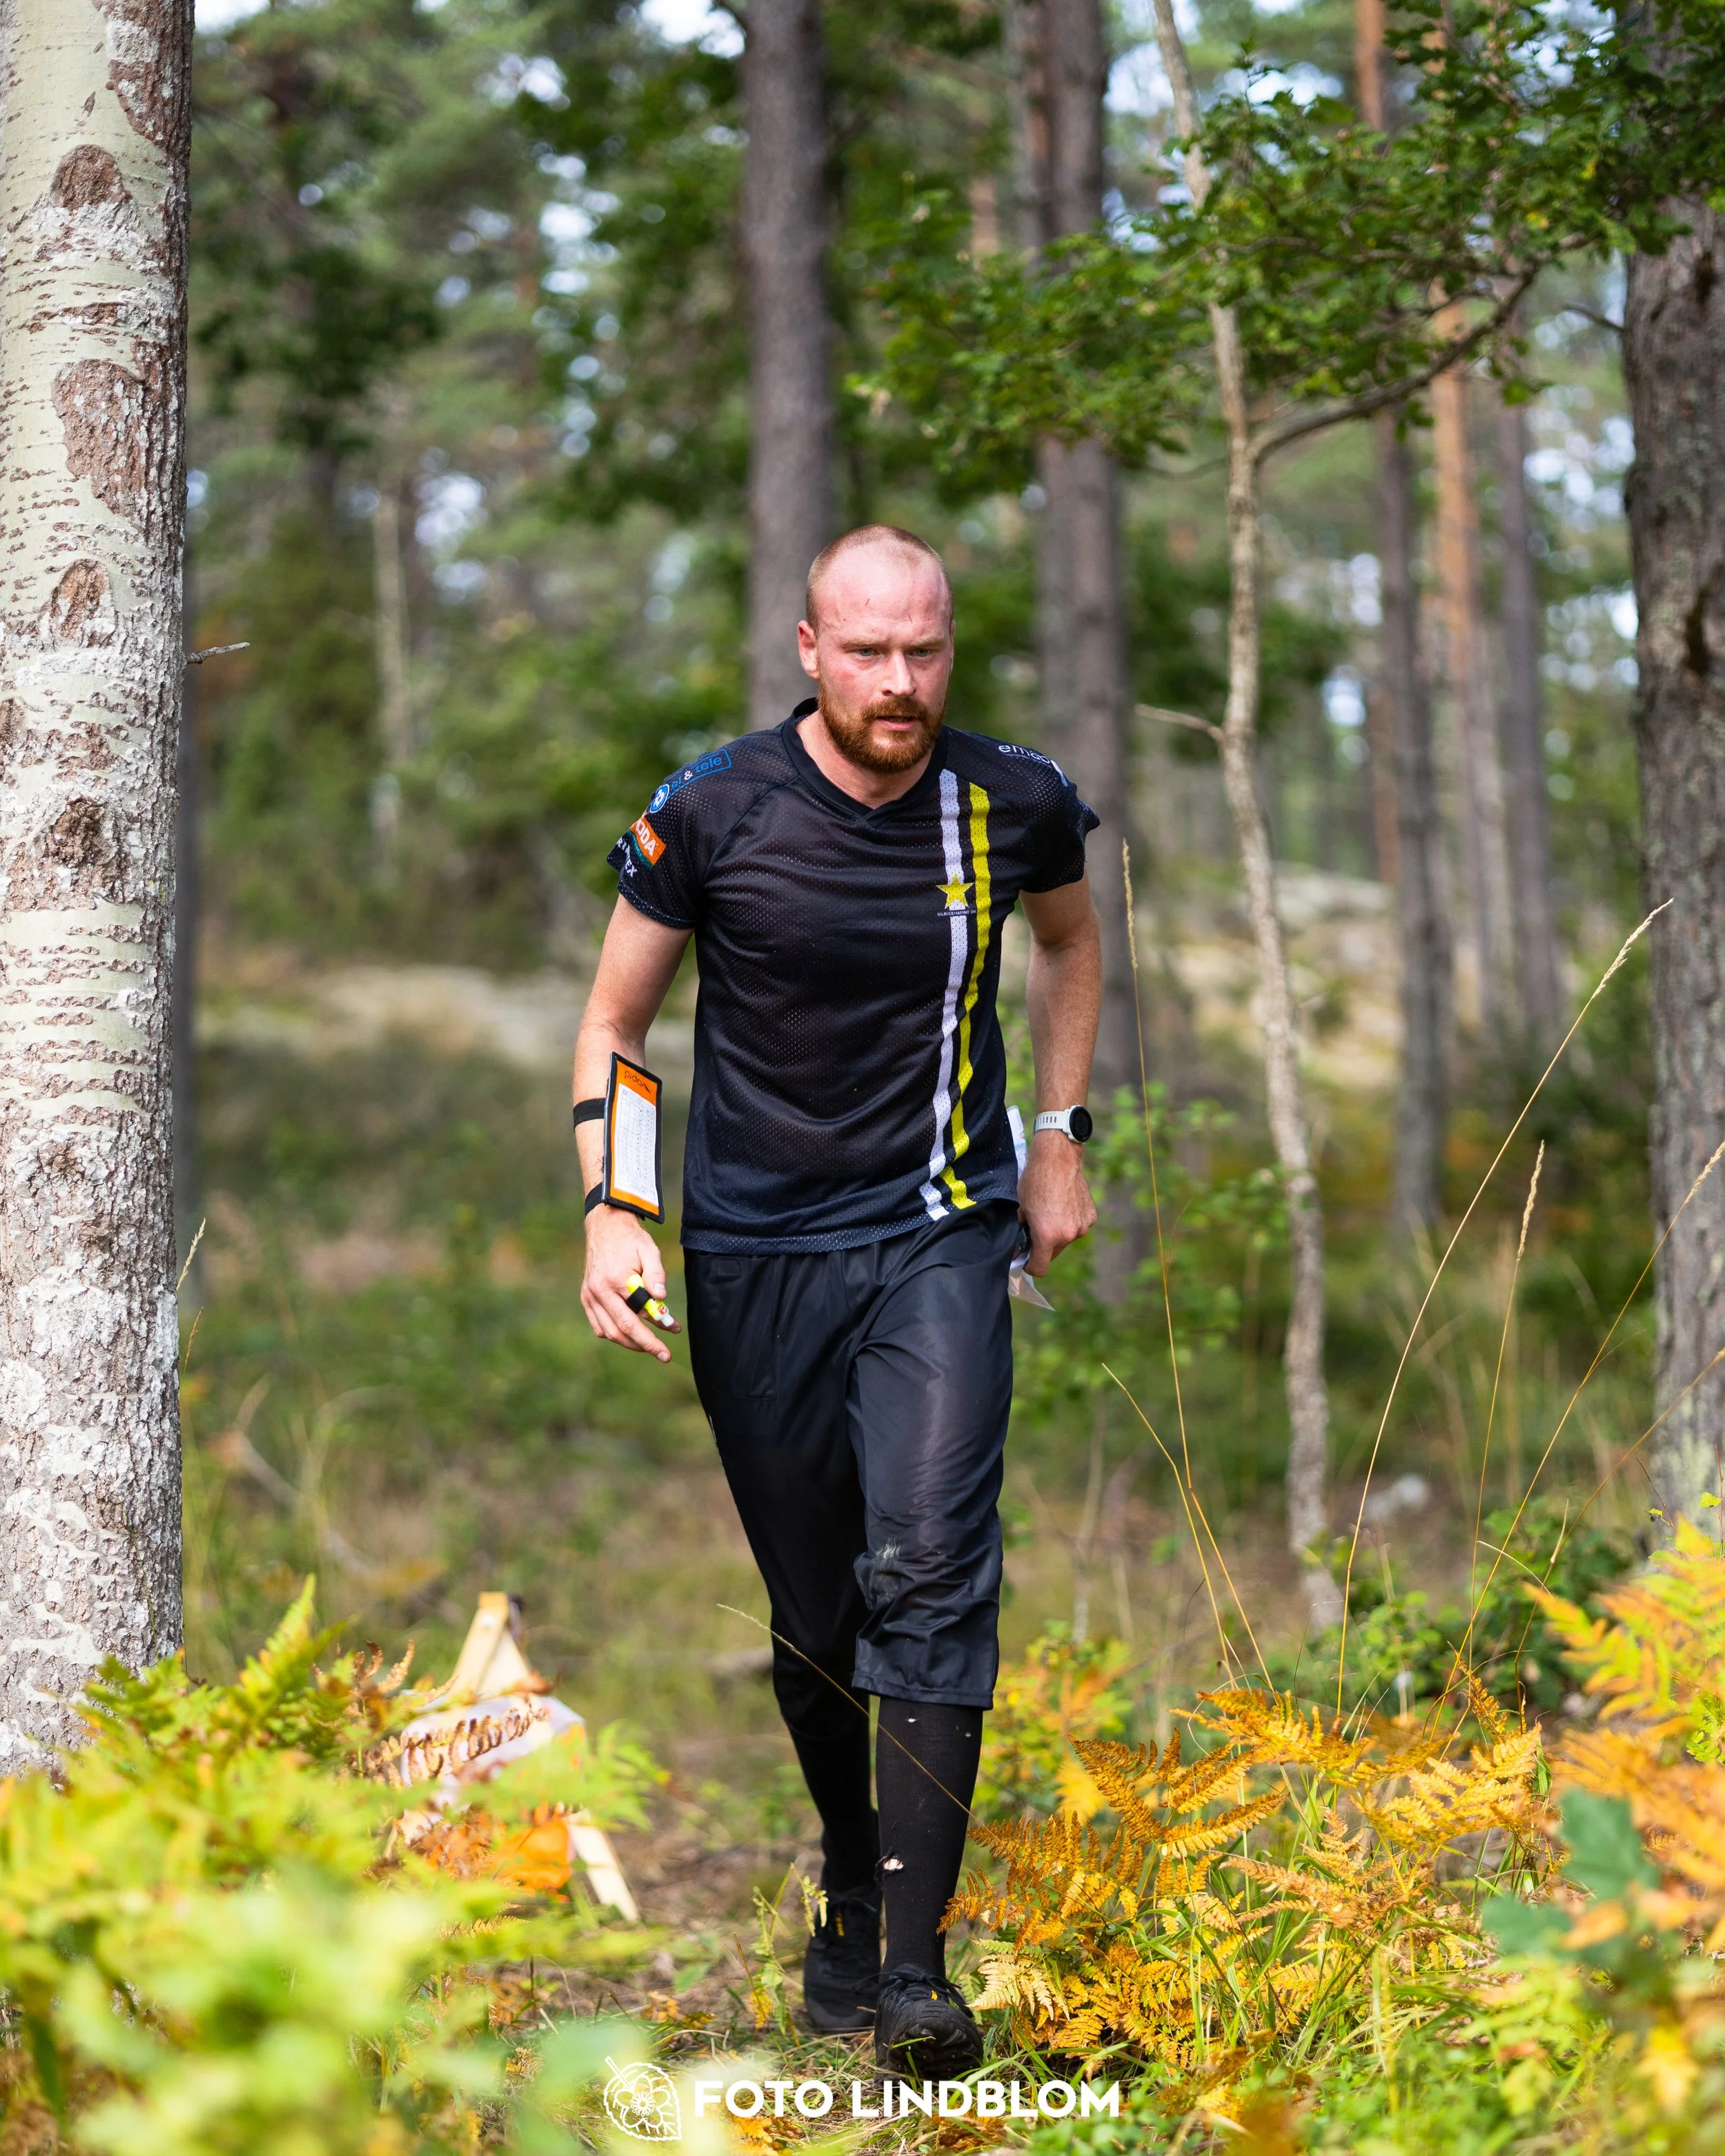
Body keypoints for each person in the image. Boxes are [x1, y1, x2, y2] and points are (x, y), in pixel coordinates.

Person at [573, 524, 1101, 2077]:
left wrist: (1059, 1138)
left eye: (923, 650)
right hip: (750, 1249)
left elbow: (1069, 950)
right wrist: (617, 1206)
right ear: (808, 648)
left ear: (950, 646)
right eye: (865, 651)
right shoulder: (711, 809)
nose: (897, 681)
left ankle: (917, 1973)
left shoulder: (1013, 800)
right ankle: (853, 1890)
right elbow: (617, 1017)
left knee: (930, 1566)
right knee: (818, 1620)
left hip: (938, 1231)